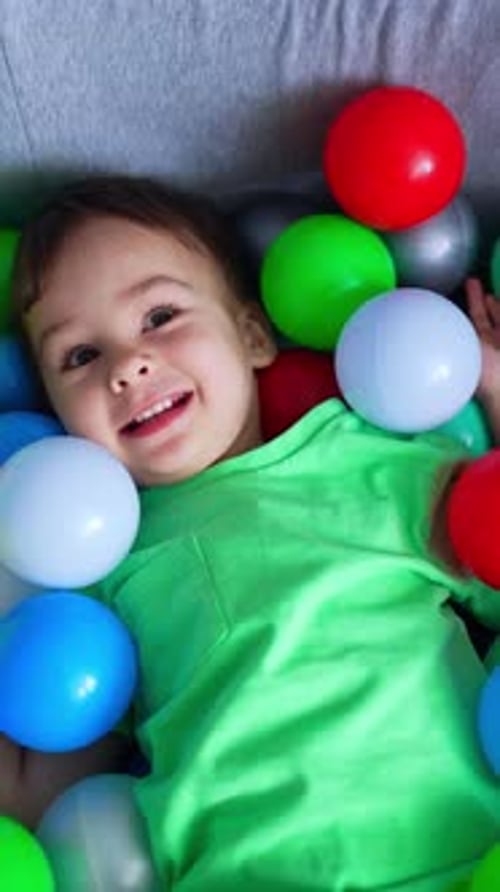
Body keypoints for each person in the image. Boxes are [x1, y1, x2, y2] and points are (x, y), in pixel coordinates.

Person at [3, 173, 500, 891]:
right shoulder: (91, 567)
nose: (127, 366)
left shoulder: (369, 462)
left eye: (160, 316)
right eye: (80, 357)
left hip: (453, 862)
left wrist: (487, 383)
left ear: (253, 334)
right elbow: (44, 765)